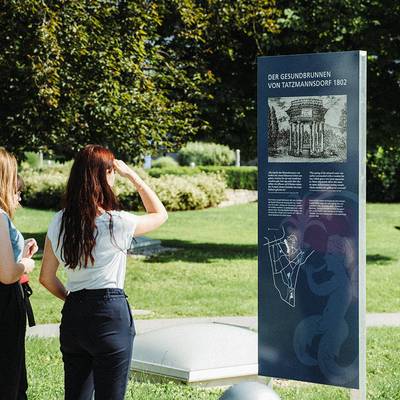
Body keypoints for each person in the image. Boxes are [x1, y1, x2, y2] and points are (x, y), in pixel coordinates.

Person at [39, 144, 167, 400]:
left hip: (74, 314)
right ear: (105, 176)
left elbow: (46, 277)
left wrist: (73, 299)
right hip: (109, 314)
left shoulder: (59, 221)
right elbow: (159, 214)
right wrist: (133, 177)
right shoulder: (116, 222)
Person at [0, 148, 38, 400]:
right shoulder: (0, 217)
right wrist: (26, 263)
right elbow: (6, 274)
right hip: (4, 303)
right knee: (8, 377)